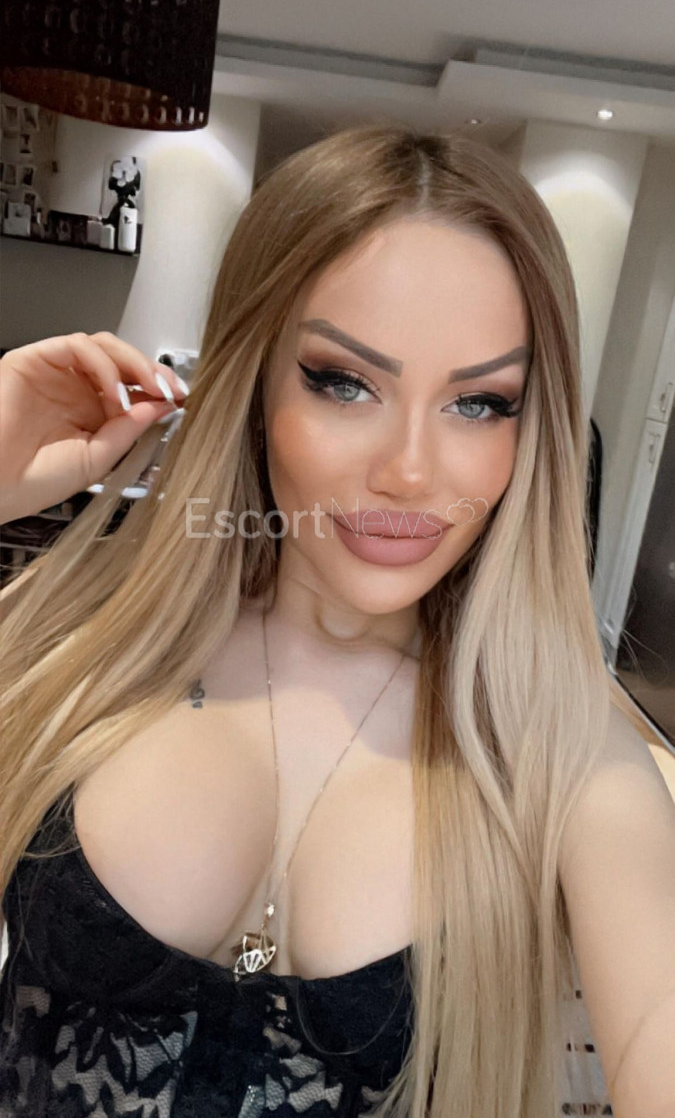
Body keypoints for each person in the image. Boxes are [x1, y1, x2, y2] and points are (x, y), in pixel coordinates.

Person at [1, 125, 674, 1118]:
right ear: (255, 383)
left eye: (480, 403)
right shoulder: (67, 639)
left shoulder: (562, 750)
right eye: (344, 382)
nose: (409, 472)